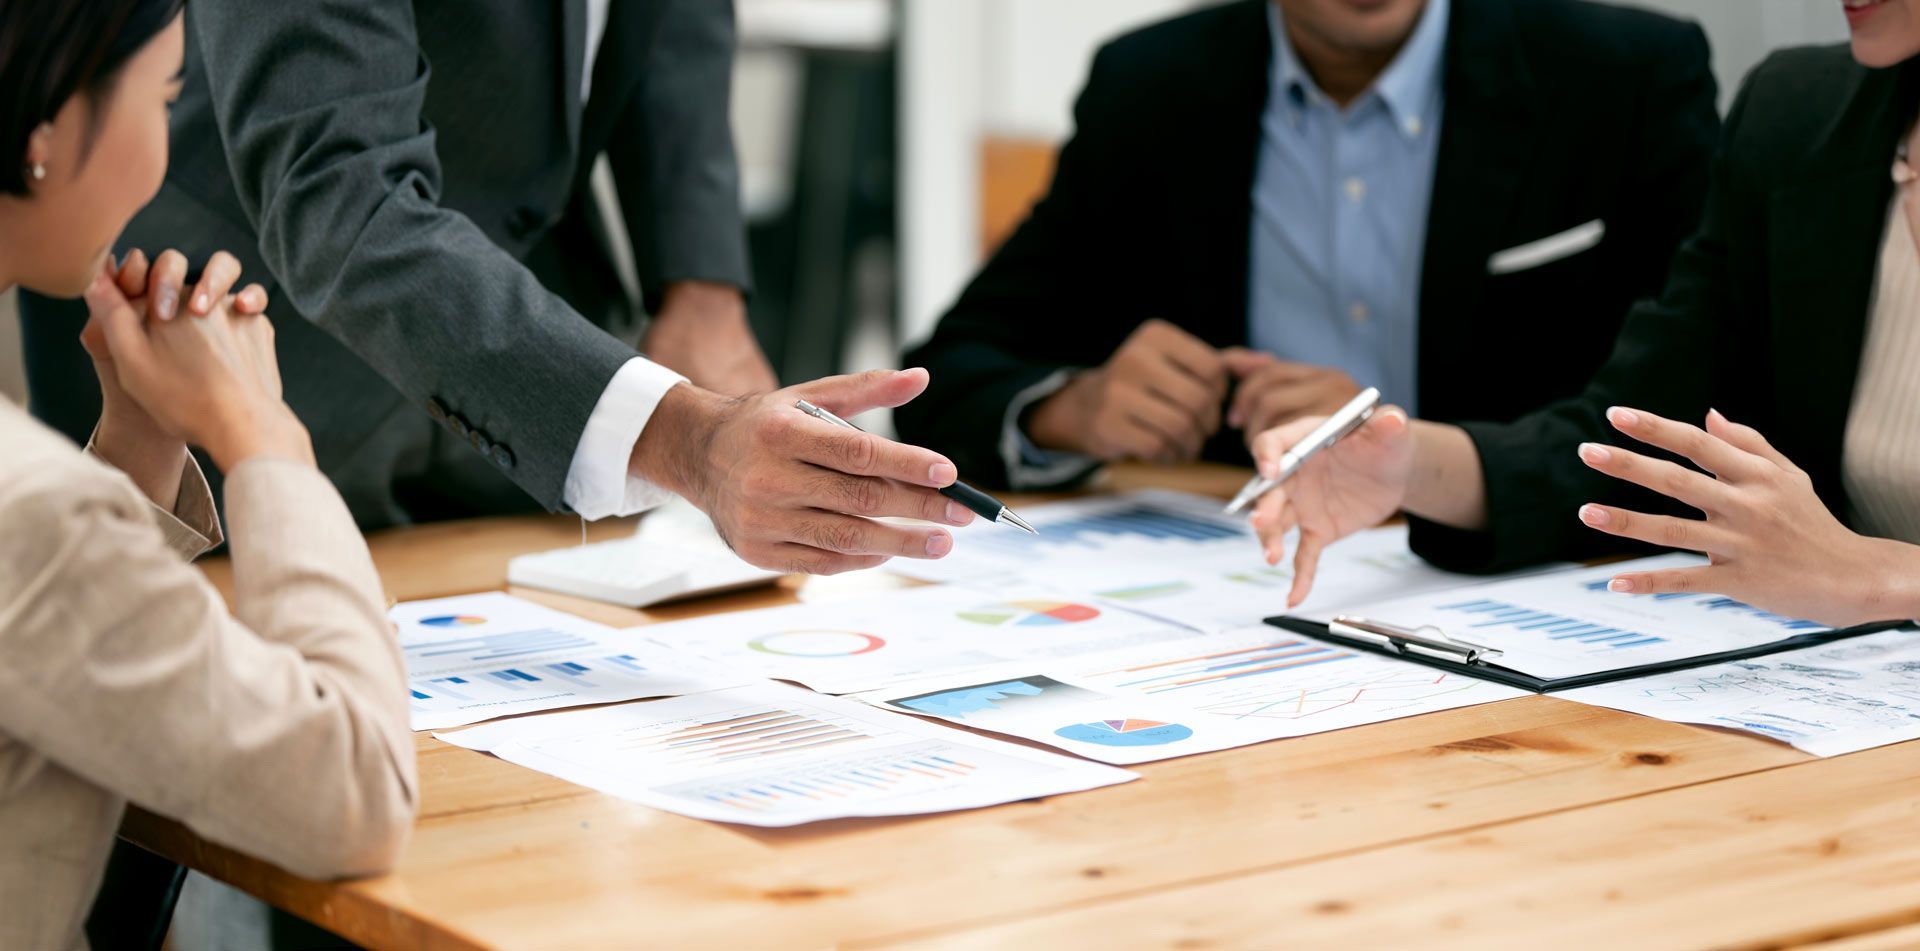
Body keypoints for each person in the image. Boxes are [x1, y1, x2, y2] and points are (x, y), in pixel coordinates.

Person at [1246, 0, 1920, 628]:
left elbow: (1843, 567)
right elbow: (1643, 439)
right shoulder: (1800, 114)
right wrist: (1407, 465)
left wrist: (1880, 576)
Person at [16, 0, 780, 532]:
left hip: (540, 366)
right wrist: (682, 438)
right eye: (164, 94)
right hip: (243, 368)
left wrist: (700, 286)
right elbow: (342, 190)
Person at [895, 0, 1721, 492]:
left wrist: (1404, 450)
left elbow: (1709, 404)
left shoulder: (1621, 77)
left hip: (1529, 574)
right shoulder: (1153, 88)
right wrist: (1069, 407)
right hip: (1241, 584)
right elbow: (942, 375)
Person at [0, 3, 416, 948]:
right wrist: (262, 433)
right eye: (166, 97)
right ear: (47, 134)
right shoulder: (33, 511)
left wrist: (140, 447)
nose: (163, 156)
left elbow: (42, 631)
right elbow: (355, 789)